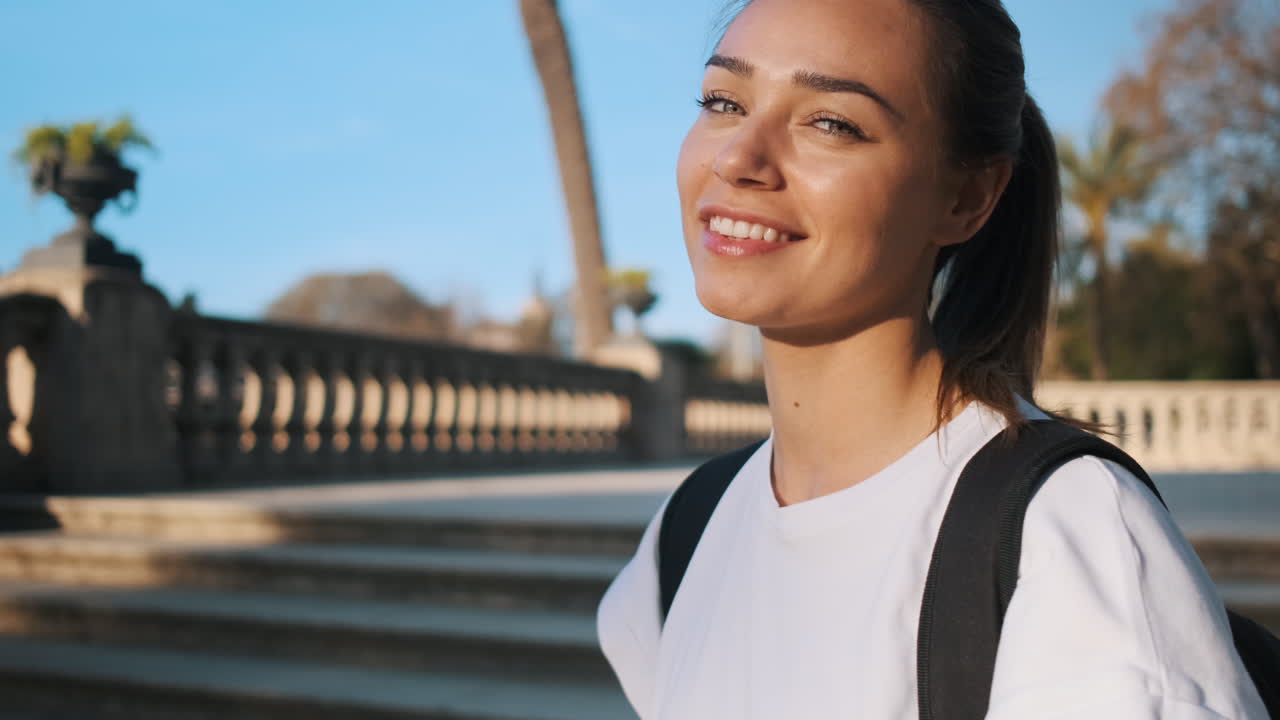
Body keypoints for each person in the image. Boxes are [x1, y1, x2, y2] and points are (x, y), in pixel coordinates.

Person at [595, 0, 1269, 718]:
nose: (737, 158)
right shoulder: (688, 533)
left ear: (968, 196)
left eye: (831, 122)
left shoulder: (1070, 544)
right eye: (724, 102)